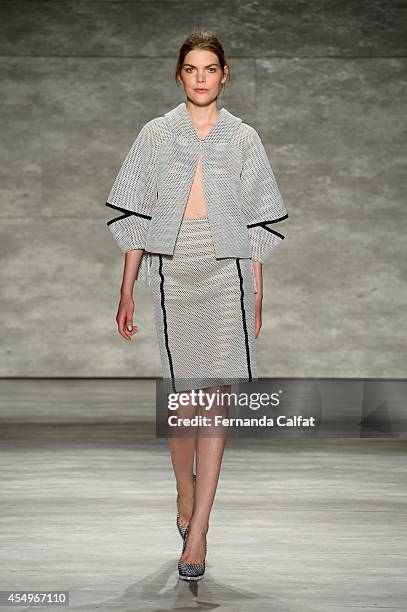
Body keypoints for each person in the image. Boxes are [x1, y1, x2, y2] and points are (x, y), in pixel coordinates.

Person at [105, 30, 288, 581]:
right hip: (173, 268)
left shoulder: (243, 138)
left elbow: (257, 217)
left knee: (215, 397)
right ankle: (183, 493)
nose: (202, 77)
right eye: (192, 68)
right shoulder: (157, 134)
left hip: (225, 267)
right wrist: (127, 286)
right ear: (179, 75)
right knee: (183, 399)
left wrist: (256, 288)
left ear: (225, 74)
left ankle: (200, 528)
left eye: (211, 68)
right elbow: (135, 212)